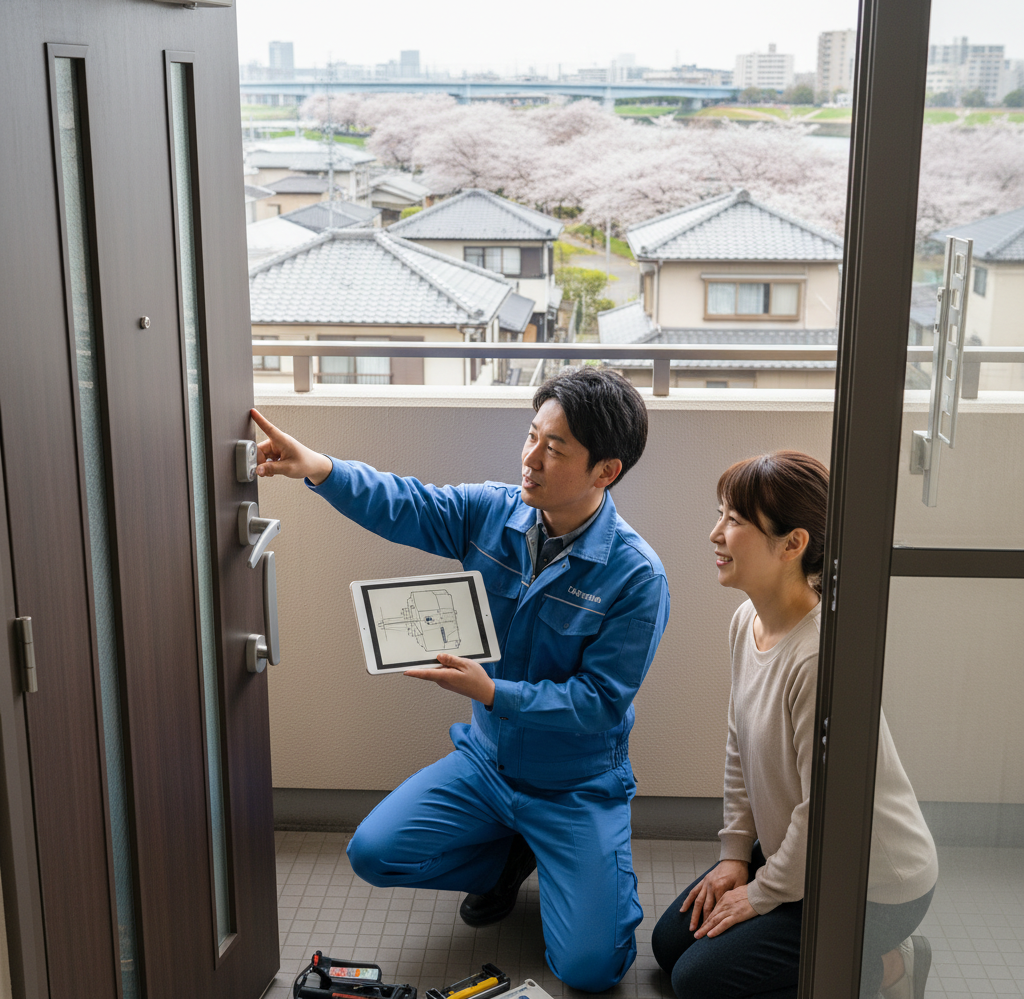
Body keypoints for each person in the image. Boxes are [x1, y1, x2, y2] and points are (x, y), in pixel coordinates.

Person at [251, 367, 670, 993]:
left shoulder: (637, 577)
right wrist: (317, 466)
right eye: (532, 435)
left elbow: (601, 704)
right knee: (373, 853)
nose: (530, 458)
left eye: (555, 449)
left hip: (574, 785)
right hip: (487, 764)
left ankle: (581, 867)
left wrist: (492, 692)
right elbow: (405, 503)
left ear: (604, 471)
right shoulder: (492, 513)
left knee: (590, 971)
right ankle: (510, 859)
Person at [651, 452, 937, 999]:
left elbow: (826, 809)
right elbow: (739, 745)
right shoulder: (747, 621)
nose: (715, 533)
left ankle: (891, 965)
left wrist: (761, 894)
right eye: (721, 515)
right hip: (804, 852)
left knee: (698, 982)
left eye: (734, 521)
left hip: (872, 884)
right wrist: (736, 856)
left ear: (792, 544)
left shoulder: (817, 655)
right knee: (671, 945)